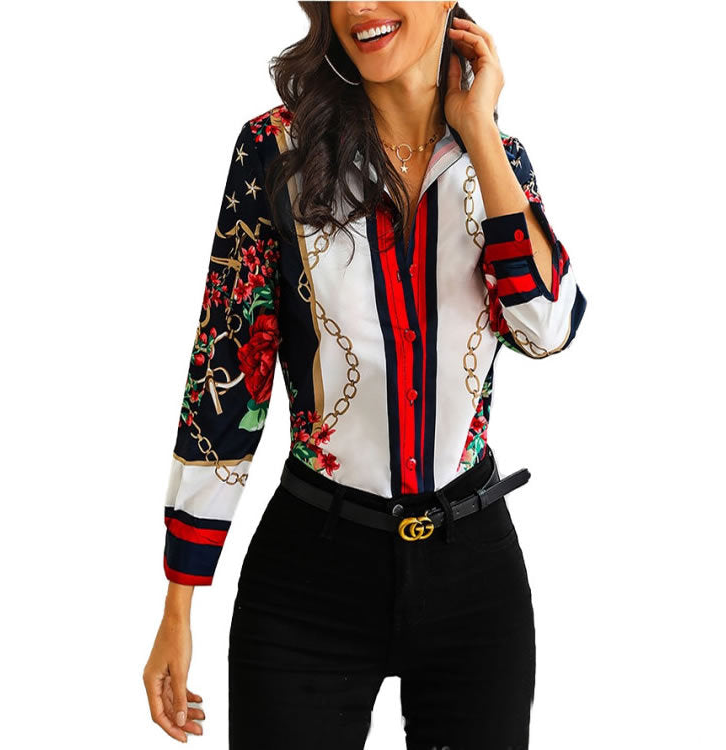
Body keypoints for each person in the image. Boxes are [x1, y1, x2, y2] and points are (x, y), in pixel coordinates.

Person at [143, 2, 587, 748]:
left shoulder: (497, 162)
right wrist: (179, 601)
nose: (357, 6)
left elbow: (547, 328)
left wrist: (479, 132)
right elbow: (226, 369)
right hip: (309, 575)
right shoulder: (276, 152)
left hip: (473, 579)